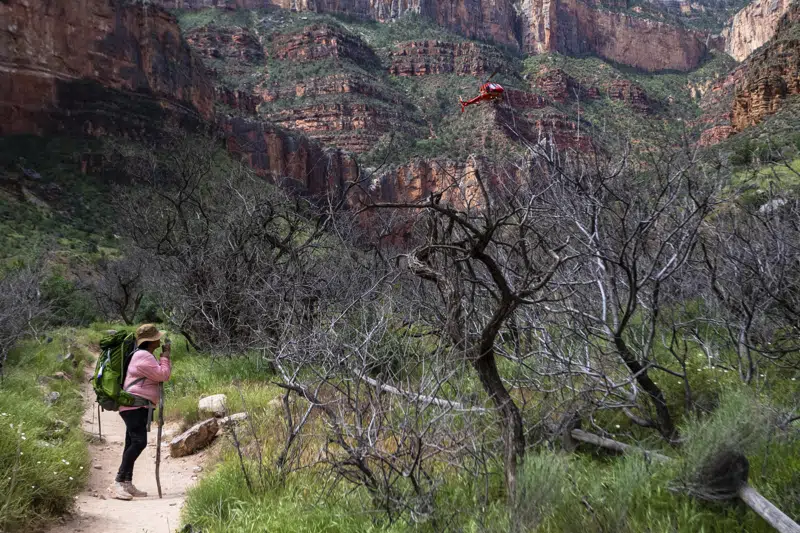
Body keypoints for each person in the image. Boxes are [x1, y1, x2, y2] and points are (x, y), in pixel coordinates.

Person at [109, 323, 171, 500]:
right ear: (151, 341)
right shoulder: (143, 356)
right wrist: (165, 357)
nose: (159, 339)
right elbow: (163, 375)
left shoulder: (143, 354)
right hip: (134, 406)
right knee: (139, 442)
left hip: (137, 406)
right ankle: (118, 482)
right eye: (157, 337)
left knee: (131, 442)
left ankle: (126, 482)